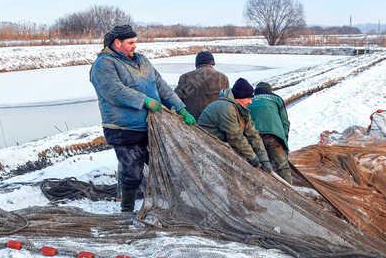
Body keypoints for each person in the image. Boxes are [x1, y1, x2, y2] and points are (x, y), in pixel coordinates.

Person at [89, 24, 196, 213]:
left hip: (151, 126)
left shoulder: (143, 61)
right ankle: (127, 208)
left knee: (165, 165)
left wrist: (181, 109)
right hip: (123, 129)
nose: (134, 46)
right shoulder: (104, 65)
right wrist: (144, 101)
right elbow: (113, 91)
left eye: (135, 42)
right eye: (130, 43)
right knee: (132, 172)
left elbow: (162, 87)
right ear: (117, 43)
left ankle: (172, 202)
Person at [197, 78, 272, 171]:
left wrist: (264, 159)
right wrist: (253, 158)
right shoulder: (225, 108)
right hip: (207, 147)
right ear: (240, 97)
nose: (250, 102)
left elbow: (253, 134)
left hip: (222, 145)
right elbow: (236, 137)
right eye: (248, 98)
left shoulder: (242, 109)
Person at [248, 82, 293, 183]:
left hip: (254, 137)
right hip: (274, 137)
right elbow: (285, 122)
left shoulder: (248, 99)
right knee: (282, 168)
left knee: (258, 168)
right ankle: (289, 193)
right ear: (269, 90)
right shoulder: (276, 99)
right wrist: (283, 141)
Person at [175, 51, 229, 120]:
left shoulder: (185, 77)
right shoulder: (223, 78)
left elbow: (175, 100)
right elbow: (227, 103)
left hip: (192, 122)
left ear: (197, 63)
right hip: (214, 123)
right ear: (212, 62)